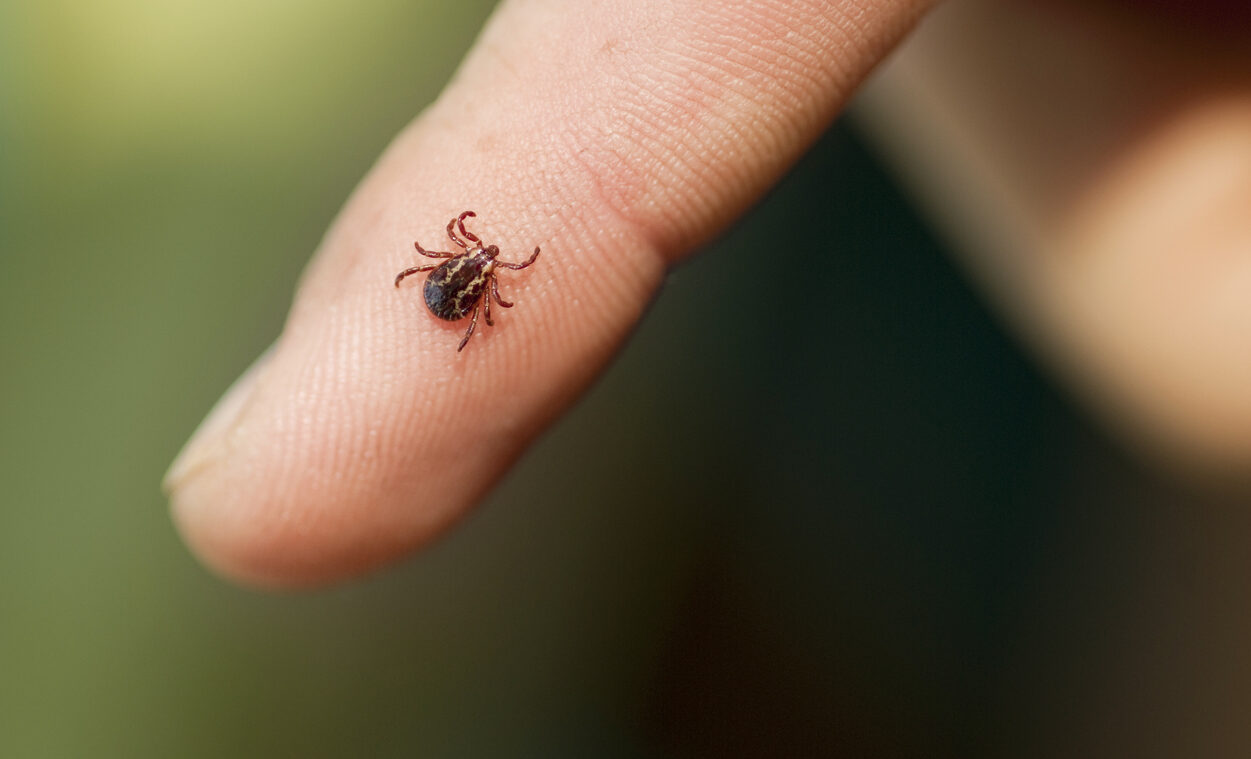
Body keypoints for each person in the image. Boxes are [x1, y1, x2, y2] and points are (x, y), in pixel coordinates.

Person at [164, 0, 1251, 586]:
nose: (470, 271)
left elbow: (453, 278)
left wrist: (455, 304)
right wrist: (463, 308)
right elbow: (465, 282)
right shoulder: (477, 272)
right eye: (468, 271)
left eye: (466, 270)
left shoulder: (467, 272)